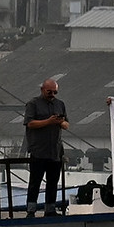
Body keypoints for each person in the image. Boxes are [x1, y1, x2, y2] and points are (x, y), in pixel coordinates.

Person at [24, 78, 70, 216]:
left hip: (55, 151)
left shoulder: (60, 104)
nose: (52, 95)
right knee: (35, 182)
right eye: (50, 92)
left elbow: (67, 124)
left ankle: (50, 209)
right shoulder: (33, 104)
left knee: (53, 182)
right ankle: (31, 210)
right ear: (42, 90)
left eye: (55, 92)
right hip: (39, 150)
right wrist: (48, 121)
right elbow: (30, 123)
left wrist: (60, 122)